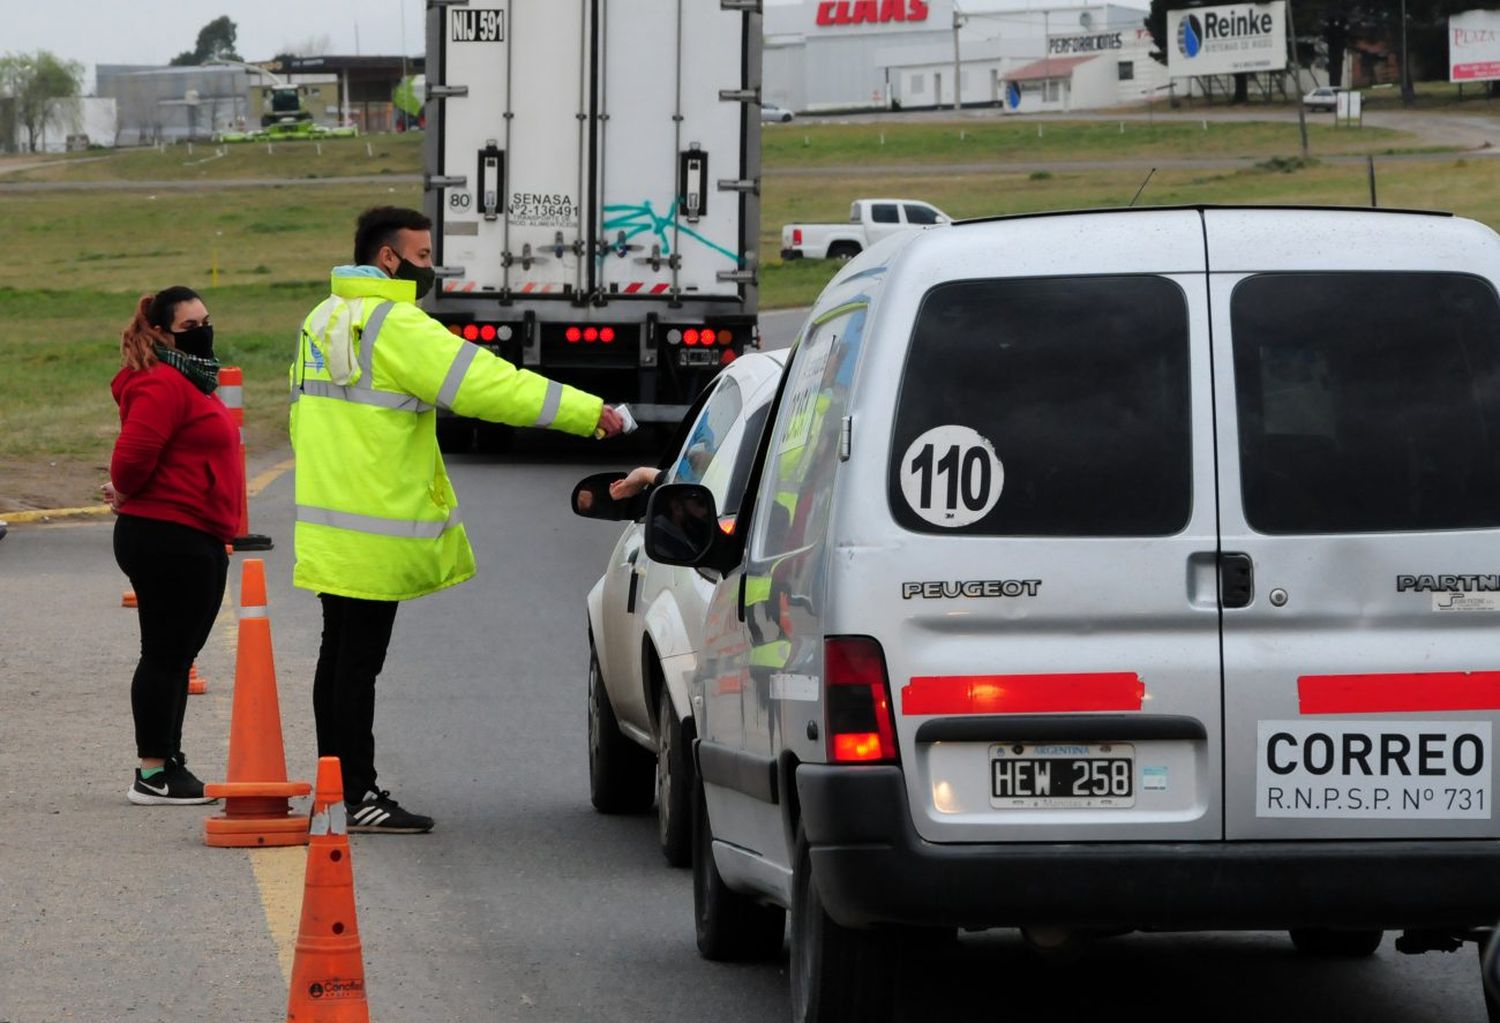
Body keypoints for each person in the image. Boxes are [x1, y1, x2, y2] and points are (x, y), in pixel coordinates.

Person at [291, 206, 626, 834]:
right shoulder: (395, 324)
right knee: (356, 663)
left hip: (332, 521)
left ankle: (336, 788)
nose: (430, 266)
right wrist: (588, 412)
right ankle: (355, 794)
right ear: (387, 258)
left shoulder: (324, 316)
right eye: (421, 255)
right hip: (376, 521)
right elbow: (486, 384)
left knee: (338, 657)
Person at [109, 286, 242, 805]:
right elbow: (131, 460)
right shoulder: (162, 382)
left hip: (192, 532)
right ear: (161, 333)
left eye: (206, 320)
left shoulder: (187, 376)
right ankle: (152, 772)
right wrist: (123, 490)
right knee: (165, 655)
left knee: (177, 652)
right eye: (191, 326)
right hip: (168, 534)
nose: (204, 331)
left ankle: (169, 761)